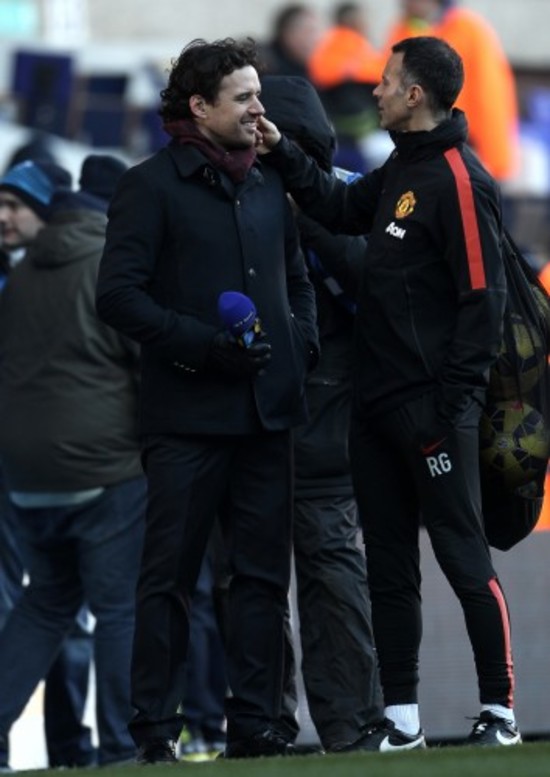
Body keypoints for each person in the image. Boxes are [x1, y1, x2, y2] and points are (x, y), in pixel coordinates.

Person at [257, 35, 521, 749]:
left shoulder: (463, 181)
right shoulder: (402, 167)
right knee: (390, 563)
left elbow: (484, 300)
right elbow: (338, 207)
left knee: (464, 557)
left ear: (415, 95)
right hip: (373, 409)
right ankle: (401, 717)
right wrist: (280, 147)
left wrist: (453, 404)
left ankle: (498, 708)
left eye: (386, 79)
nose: (373, 90)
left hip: (432, 411)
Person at [95, 37, 319, 764]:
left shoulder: (266, 182)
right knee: (167, 581)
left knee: (259, 579)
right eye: (246, 98)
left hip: (266, 414)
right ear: (199, 106)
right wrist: (203, 345)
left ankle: (256, 726)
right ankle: (157, 731)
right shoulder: (148, 185)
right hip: (187, 420)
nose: (260, 109)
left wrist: (301, 344)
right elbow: (117, 297)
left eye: (259, 96)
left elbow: (295, 278)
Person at [0, 153, 146, 769]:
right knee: (118, 608)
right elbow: (146, 361)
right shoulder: (107, 266)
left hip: (29, 477)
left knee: (46, 601)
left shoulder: (25, 272)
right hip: (104, 469)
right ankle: (121, 747)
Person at [259, 73, 383, 752]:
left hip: (327, 433)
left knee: (332, 579)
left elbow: (376, 286)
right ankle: (263, 724)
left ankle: (352, 725)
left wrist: (307, 205)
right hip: (252, 428)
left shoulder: (343, 197)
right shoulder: (227, 200)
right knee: (249, 588)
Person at [0, 157, 97, 770]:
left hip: (60, 469)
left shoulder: (69, 272)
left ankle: (74, 747)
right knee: (38, 604)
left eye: (15, 206)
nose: (3, 218)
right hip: (23, 471)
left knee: (68, 608)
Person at [382, 0, 520, 183]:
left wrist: (495, 161)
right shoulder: (403, 29)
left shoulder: (469, 31)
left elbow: (490, 97)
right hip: (418, 144)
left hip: (462, 143)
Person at [307, 2, 384, 173]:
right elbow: (377, 76)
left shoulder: (325, 48)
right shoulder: (357, 46)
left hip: (338, 130)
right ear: (353, 21)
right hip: (358, 130)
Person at [260, 3, 322, 79]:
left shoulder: (313, 69)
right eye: (310, 31)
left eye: (317, 31)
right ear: (288, 34)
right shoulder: (266, 65)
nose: (317, 39)